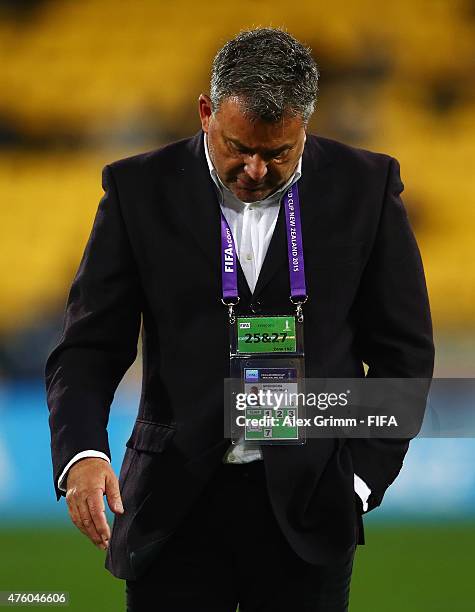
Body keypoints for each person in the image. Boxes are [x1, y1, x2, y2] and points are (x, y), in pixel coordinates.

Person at [45, 28, 434, 612]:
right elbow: (89, 348)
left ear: (306, 122)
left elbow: (404, 352)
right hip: (173, 508)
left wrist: (357, 483)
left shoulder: (367, 186)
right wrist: (83, 454)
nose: (255, 169)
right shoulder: (137, 189)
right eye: (238, 147)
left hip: (310, 506)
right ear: (206, 113)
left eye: (278, 153)